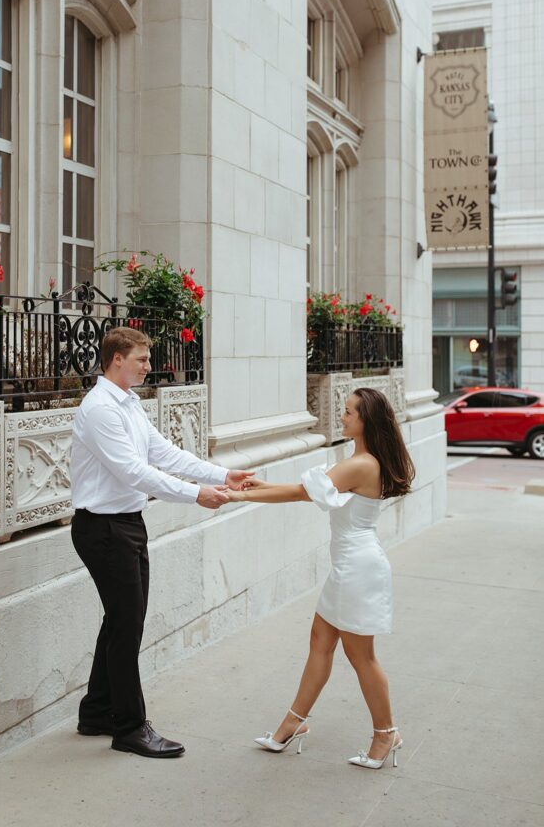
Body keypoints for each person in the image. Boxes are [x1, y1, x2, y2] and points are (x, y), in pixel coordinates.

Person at [70, 327, 252, 759]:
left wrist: (219, 475)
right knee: (127, 625)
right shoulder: (99, 409)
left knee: (121, 622)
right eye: (142, 359)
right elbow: (133, 472)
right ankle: (130, 728)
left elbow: (163, 453)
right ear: (117, 359)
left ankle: (96, 711)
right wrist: (195, 495)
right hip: (104, 529)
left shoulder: (129, 404)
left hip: (127, 524)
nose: (149, 366)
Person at [224, 387, 414, 770]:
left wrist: (243, 497)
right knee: (320, 643)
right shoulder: (360, 460)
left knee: (362, 658)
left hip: (358, 570)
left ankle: (385, 733)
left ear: (365, 421)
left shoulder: (362, 464)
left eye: (348, 412)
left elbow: (300, 494)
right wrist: (258, 487)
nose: (342, 417)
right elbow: (307, 492)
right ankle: (294, 723)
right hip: (350, 567)